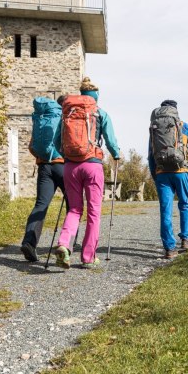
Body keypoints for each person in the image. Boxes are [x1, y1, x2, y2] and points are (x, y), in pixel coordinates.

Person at [54, 77, 120, 269]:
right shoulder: (100, 113)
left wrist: (67, 156)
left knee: (74, 209)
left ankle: (64, 244)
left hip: (70, 167)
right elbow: (111, 141)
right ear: (95, 97)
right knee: (94, 212)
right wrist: (116, 155)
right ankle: (88, 257)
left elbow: (57, 142)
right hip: (92, 166)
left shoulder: (68, 112)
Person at [148, 99, 188, 259]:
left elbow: (151, 154)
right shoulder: (184, 126)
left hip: (162, 173)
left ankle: (169, 249)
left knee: (165, 210)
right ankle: (185, 240)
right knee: (184, 204)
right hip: (181, 170)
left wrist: (154, 174)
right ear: (175, 111)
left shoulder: (154, 127)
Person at [20, 95, 67, 262]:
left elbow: (31, 147)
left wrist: (42, 156)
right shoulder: (65, 117)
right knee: (73, 206)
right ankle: (65, 244)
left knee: (41, 204)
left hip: (44, 166)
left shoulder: (42, 118)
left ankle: (29, 242)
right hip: (62, 166)